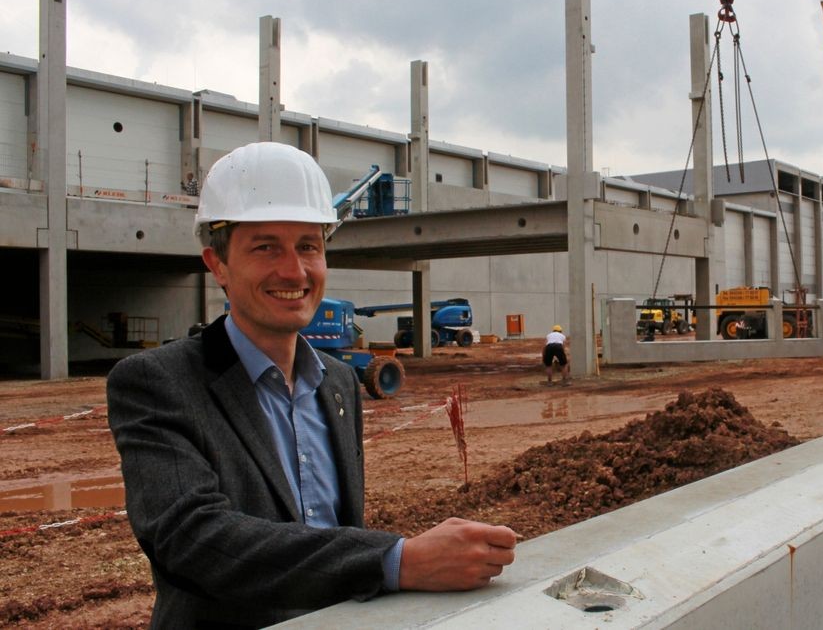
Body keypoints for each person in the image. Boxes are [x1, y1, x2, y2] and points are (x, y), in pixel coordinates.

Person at [106, 142, 517, 628]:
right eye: (265, 247)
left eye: (308, 246)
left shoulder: (339, 383)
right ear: (217, 264)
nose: (294, 270)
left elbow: (338, 531)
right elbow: (193, 540)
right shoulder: (158, 383)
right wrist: (397, 560)